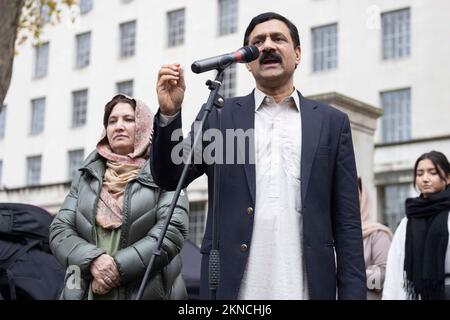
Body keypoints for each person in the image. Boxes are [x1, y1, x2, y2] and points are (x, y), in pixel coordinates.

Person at [152, 12, 366, 299]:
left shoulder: (331, 123)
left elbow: (348, 224)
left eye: (278, 39)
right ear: (248, 63)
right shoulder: (220, 117)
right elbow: (170, 176)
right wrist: (169, 114)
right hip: (233, 290)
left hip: (306, 288)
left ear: (298, 54)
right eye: (258, 42)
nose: (267, 46)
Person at [49, 94, 189, 300]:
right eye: (112, 121)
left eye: (128, 119)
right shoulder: (87, 174)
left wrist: (117, 268)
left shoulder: (166, 170)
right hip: (87, 292)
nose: (119, 126)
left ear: (145, 126)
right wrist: (94, 261)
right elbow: (59, 230)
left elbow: (172, 230)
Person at [383, 151, 450, 300]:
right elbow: (395, 266)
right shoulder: (408, 221)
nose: (425, 178)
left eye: (433, 173)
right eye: (420, 174)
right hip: (416, 295)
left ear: (448, 178)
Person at [357, 177, 393, 299]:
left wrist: (345, 273)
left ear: (363, 197)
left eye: (353, 192)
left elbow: (384, 274)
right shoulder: (329, 235)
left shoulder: (377, 234)